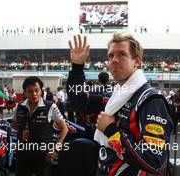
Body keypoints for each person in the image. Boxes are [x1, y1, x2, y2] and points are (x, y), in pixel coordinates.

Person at [67, 33, 173, 175]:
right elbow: (79, 100)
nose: (114, 60)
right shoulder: (115, 97)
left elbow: (155, 161)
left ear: (137, 61)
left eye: (122, 54)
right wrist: (77, 67)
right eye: (110, 56)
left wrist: (111, 131)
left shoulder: (150, 100)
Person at [13, 76, 68, 176]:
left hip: (43, 155)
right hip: (23, 154)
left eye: (36, 90)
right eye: (30, 91)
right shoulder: (19, 106)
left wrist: (55, 149)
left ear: (41, 91)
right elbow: (15, 124)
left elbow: (64, 128)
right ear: (25, 93)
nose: (34, 94)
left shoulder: (51, 106)